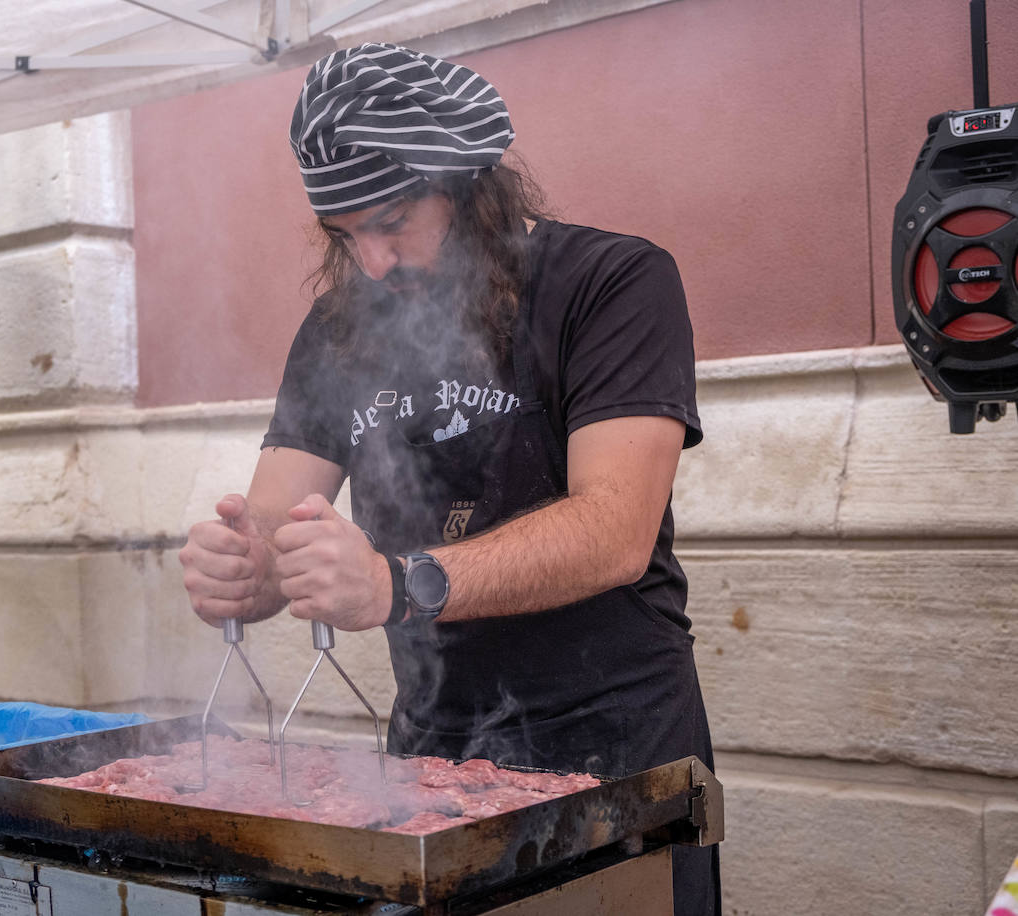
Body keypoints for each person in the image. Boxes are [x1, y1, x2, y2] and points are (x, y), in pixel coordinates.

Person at [179, 42, 719, 914]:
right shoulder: (338, 328)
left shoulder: (612, 283)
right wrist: (244, 569)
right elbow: (277, 526)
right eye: (346, 235)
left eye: (391, 222)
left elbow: (615, 528)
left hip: (615, 748)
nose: (374, 263)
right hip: (434, 756)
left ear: (469, 186)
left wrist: (400, 583)